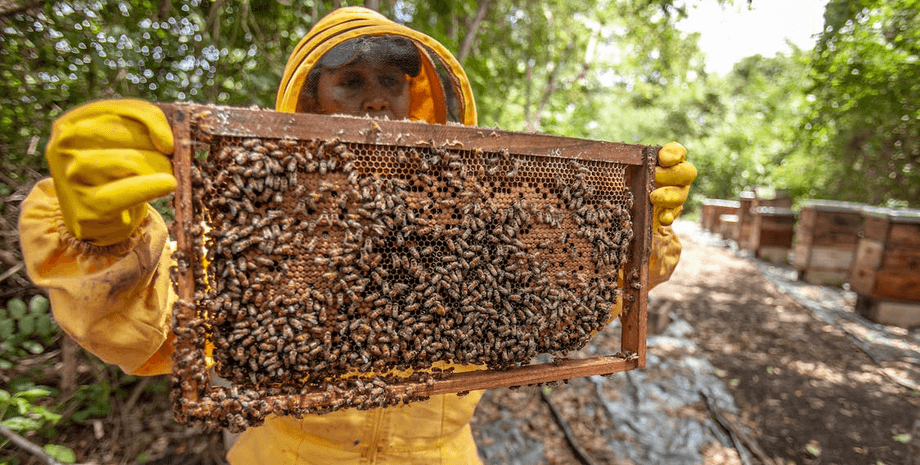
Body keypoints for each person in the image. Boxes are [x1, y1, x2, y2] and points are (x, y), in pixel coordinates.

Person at [19, 6, 696, 464]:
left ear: (417, 94)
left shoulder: (480, 207)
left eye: (389, 83)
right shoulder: (265, 215)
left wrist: (636, 232)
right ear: (311, 100)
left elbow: (557, 305)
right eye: (350, 83)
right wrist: (103, 241)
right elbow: (153, 328)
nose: (376, 102)